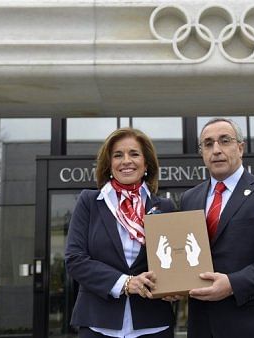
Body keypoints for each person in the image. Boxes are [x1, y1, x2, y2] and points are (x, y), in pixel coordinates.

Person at [180, 118, 254, 338]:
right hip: (203, 325)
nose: (216, 150)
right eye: (208, 144)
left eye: (224, 141)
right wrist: (174, 284)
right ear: (202, 153)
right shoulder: (189, 198)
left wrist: (233, 284)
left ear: (240, 148)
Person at [65, 128, 176, 338]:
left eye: (134, 154)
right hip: (98, 324)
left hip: (153, 324)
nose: (126, 161)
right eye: (118, 155)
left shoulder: (165, 207)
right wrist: (126, 283)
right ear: (109, 164)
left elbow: (172, 263)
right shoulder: (89, 202)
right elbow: (75, 260)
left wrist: (176, 287)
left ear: (146, 164)